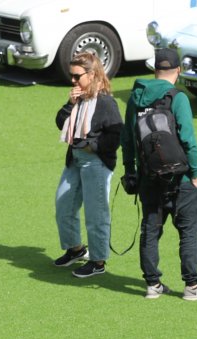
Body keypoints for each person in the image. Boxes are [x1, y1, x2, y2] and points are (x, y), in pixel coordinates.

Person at [120, 47, 197, 301]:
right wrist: (195, 174)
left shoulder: (135, 98)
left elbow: (128, 139)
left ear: (155, 69)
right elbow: (188, 140)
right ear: (178, 70)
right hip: (181, 178)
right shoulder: (178, 98)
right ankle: (192, 287)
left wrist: (130, 171)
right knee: (188, 232)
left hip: (148, 177)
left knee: (150, 231)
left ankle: (152, 285)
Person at [53, 51, 122, 280]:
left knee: (96, 213)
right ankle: (76, 249)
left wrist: (93, 145)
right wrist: (69, 104)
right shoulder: (79, 98)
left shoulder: (106, 102)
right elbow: (61, 122)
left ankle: (98, 261)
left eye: (77, 76)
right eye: (71, 76)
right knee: (63, 204)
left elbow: (116, 135)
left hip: (96, 163)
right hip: (75, 159)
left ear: (92, 75)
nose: (73, 81)